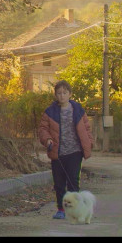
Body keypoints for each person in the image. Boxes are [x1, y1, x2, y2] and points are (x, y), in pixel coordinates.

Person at [38, 80, 93, 219]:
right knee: (59, 183)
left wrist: (89, 143)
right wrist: (47, 139)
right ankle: (61, 209)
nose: (62, 96)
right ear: (55, 95)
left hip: (75, 151)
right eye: (59, 93)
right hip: (58, 153)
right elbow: (43, 129)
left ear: (70, 94)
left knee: (73, 181)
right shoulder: (50, 112)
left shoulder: (78, 109)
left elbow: (87, 128)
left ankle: (75, 209)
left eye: (64, 93)